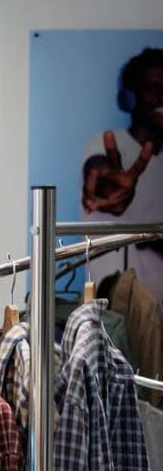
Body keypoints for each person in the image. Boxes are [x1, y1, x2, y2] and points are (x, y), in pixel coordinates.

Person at [81, 46, 161, 294]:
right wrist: (108, 185)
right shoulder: (104, 143)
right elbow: (99, 170)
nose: (162, 96)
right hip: (113, 313)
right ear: (130, 98)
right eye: (152, 87)